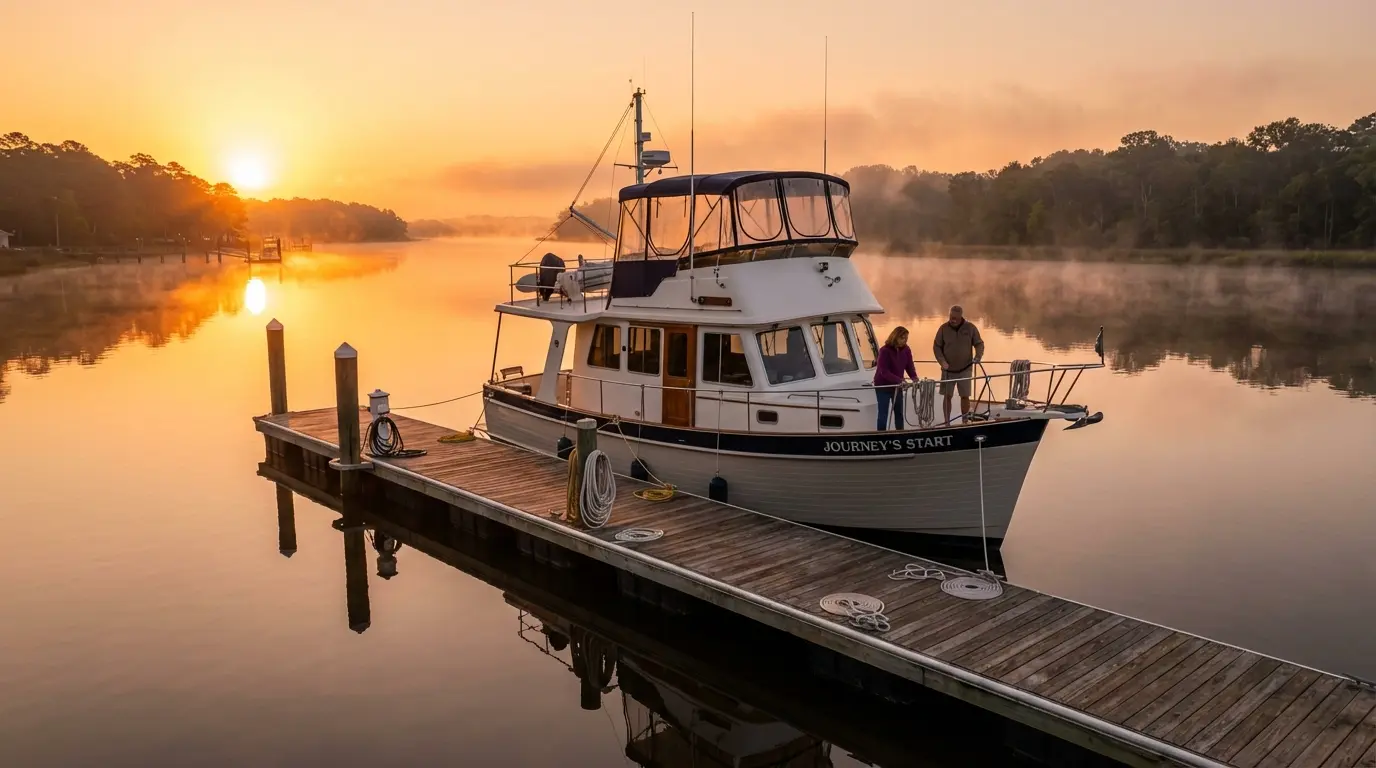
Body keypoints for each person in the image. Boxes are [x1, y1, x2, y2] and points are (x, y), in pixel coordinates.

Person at [934, 305, 985, 424]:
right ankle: (947, 422)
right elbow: (936, 347)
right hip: (947, 370)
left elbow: (979, 344)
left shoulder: (970, 328)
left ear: (961, 317)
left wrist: (978, 356)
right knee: (947, 396)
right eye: (951, 317)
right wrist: (942, 361)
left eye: (956, 318)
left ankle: (965, 420)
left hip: (965, 369)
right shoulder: (943, 329)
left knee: (965, 395)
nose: (953, 320)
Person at [873, 326, 917, 430]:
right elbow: (884, 371)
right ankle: (881, 437)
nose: (905, 341)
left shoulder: (906, 350)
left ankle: (900, 435)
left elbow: (909, 366)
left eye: (906, 339)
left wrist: (914, 377)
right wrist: (900, 380)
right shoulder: (884, 351)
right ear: (895, 337)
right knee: (883, 415)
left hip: (897, 386)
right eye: (902, 338)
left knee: (899, 413)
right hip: (882, 386)